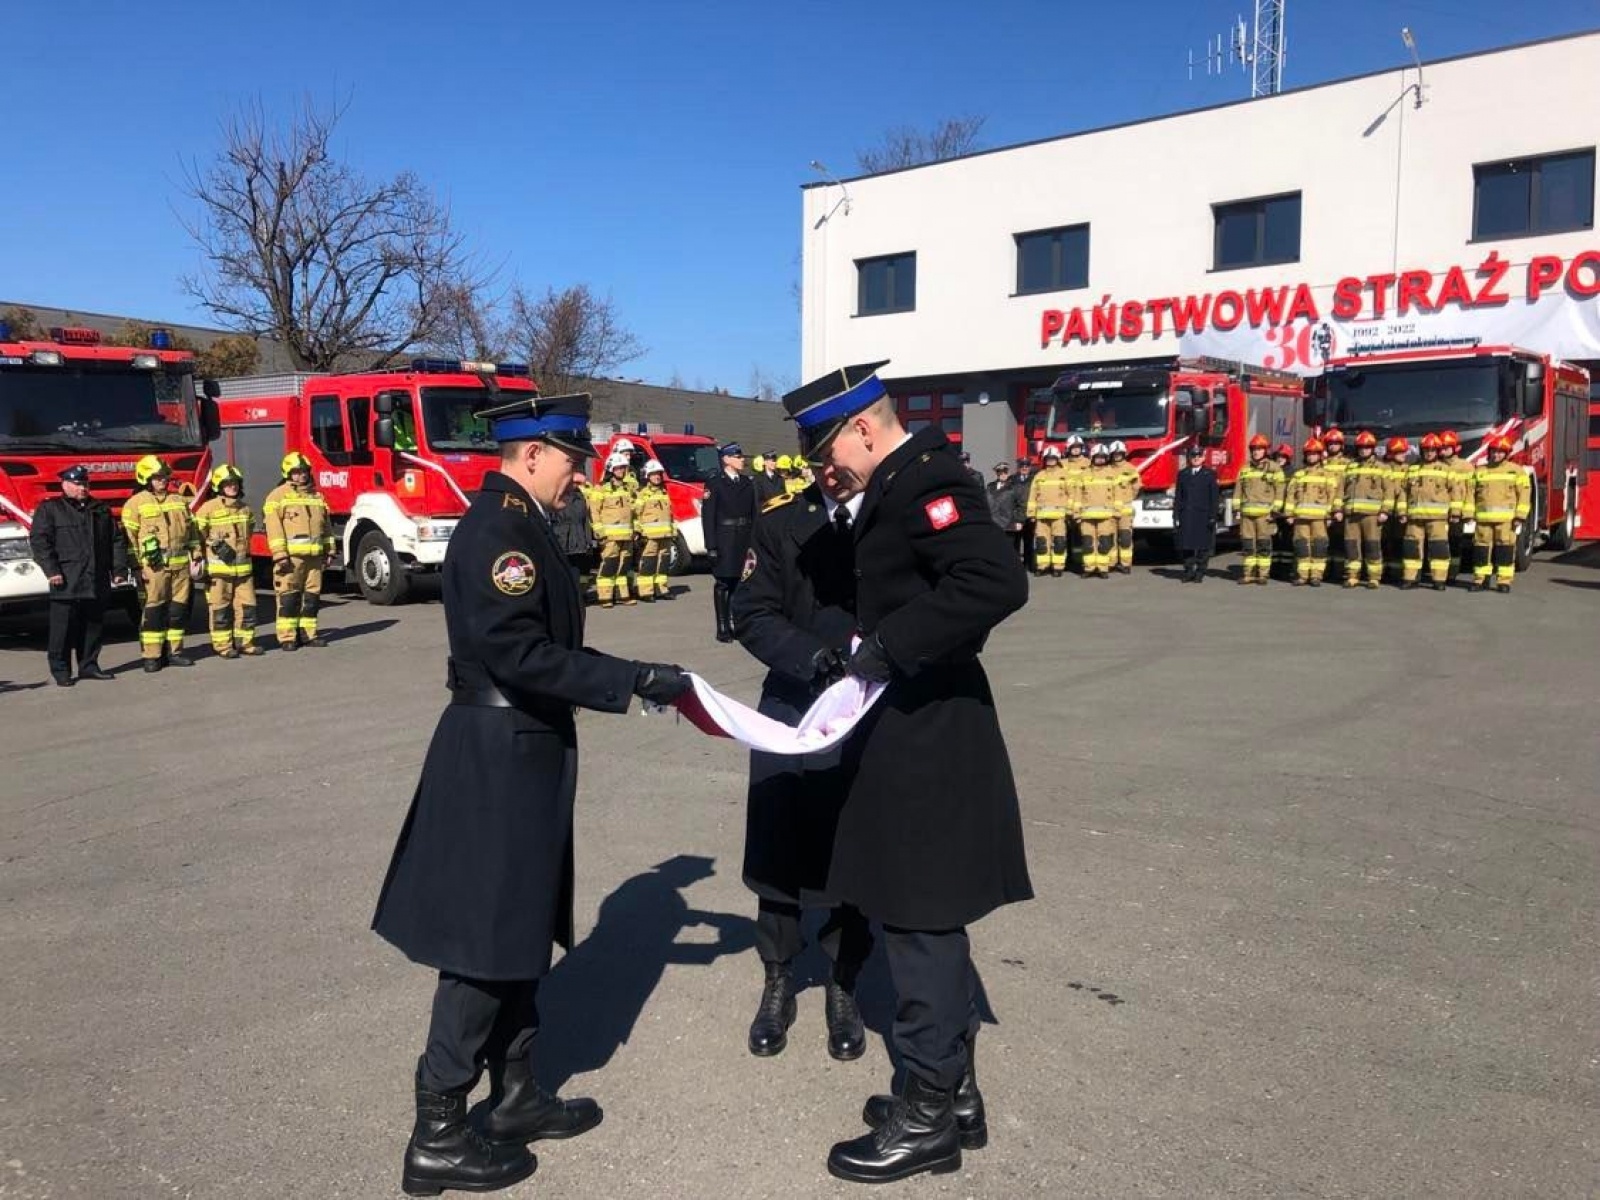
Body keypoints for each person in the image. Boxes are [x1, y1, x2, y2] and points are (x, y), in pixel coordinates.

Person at [371, 392, 692, 1198]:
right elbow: (519, 652)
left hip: (524, 748)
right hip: (499, 751)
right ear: (531, 455)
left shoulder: (521, 523)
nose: (578, 476)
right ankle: (438, 1127)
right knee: (483, 944)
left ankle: (513, 1096)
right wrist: (634, 681)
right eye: (572, 461)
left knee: (516, 927)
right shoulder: (500, 532)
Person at [788, 361, 1032, 1184]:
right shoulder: (896, 484)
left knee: (920, 921)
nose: (830, 471)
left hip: (930, 730)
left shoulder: (928, 478)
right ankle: (954, 1093)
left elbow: (995, 581)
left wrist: (888, 649)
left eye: (832, 452)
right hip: (913, 723)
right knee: (918, 916)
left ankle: (927, 1116)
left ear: (864, 426)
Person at [729, 464, 872, 1064]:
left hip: (868, 703)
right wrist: (815, 659)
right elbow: (753, 613)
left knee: (855, 846)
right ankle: (778, 979)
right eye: (817, 459)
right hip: (792, 700)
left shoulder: (887, 523)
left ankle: (844, 982)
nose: (831, 473)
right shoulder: (782, 521)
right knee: (777, 846)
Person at [29, 465, 122, 685]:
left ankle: (89, 665)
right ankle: (61, 670)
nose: (83, 488)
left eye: (85, 484)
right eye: (78, 484)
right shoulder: (51, 509)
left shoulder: (99, 509)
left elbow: (116, 541)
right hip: (66, 578)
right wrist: (51, 570)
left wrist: (118, 570)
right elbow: (40, 541)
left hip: (95, 577)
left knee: (93, 626)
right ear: (65, 485)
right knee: (62, 629)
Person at [122, 455, 202, 672]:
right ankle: (152, 656)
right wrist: (137, 567)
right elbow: (129, 540)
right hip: (153, 569)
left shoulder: (178, 501)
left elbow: (192, 531)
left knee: (177, 611)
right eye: (157, 478)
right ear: (145, 479)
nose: (163, 481)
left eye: (164, 477)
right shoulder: (135, 504)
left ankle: (175, 652)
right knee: (154, 612)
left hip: (181, 568)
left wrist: (196, 554)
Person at [264, 452, 334, 650]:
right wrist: (280, 555)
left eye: (304, 472)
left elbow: (326, 526)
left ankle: (308, 634)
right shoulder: (277, 496)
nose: (301, 476)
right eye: (296, 472)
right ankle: (287, 637)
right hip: (291, 558)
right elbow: (274, 528)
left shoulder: (317, 496)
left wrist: (329, 550)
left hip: (314, 557)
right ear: (288, 473)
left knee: (312, 598)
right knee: (289, 597)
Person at [193, 463, 263, 658]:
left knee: (247, 606)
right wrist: (199, 558)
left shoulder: (245, 509)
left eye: (235, 483)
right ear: (218, 486)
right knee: (220, 609)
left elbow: (248, 534)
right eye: (228, 483)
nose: (232, 487)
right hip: (219, 571)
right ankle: (223, 646)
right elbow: (197, 536)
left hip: (243, 571)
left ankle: (245, 643)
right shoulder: (207, 509)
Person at [702, 442, 757, 642]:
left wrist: (756, 540)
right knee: (724, 584)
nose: (742, 459)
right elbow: (708, 518)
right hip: (725, 539)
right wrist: (711, 546)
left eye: (741, 457)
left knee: (741, 584)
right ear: (726, 459)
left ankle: (738, 623)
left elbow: (754, 514)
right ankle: (723, 627)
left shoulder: (747, 482)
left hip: (744, 538)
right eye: (737, 456)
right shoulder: (715, 483)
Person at [1467, 434, 1529, 593]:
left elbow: (1524, 495)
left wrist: (1520, 517)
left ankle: (1504, 581)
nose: (1496, 455)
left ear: (1507, 453)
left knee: (1505, 550)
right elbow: (1470, 493)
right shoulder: (1480, 471)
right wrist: (1469, 513)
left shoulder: (1517, 472)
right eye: (1494, 451)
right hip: (1483, 520)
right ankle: (1480, 580)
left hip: (1507, 521)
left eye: (1500, 452)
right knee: (1481, 550)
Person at [1398, 434, 1457, 591]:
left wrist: (1455, 512)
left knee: (1438, 549)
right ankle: (1410, 578)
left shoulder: (1446, 470)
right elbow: (1404, 492)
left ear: (1437, 451)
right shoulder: (1413, 469)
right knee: (1411, 548)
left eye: (1432, 450)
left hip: (1437, 519)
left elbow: (1455, 493)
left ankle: (1439, 580)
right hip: (1414, 517)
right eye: (1426, 450)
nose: (1429, 453)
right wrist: (1402, 512)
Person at [1285, 438, 1341, 587]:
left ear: (1320, 456)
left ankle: (1316, 576)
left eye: (1314, 454)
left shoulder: (1328, 476)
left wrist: (1331, 515)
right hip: (1300, 518)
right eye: (1309, 454)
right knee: (1301, 546)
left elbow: (1333, 497)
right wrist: (1289, 514)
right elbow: (1290, 496)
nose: (1311, 457)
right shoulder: (1298, 475)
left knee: (1319, 546)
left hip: (1320, 518)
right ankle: (1303, 576)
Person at [1340, 431, 1392, 589]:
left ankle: (1374, 577)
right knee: (1351, 546)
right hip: (1351, 514)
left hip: (1372, 515)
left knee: (1372, 546)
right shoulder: (1350, 467)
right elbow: (1341, 489)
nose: (1364, 450)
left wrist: (1385, 511)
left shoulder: (1383, 468)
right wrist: (1338, 509)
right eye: (1361, 447)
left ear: (1373, 449)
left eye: (1367, 447)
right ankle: (1352, 576)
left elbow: (1388, 492)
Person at [590, 451, 637, 608]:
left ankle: (622, 595)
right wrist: (600, 532)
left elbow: (634, 512)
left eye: (623, 468)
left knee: (624, 566)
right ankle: (605, 597)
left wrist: (635, 530)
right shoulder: (601, 489)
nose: (621, 471)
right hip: (610, 537)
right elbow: (594, 512)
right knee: (609, 565)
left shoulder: (627, 489)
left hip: (627, 536)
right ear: (611, 469)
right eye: (618, 468)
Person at [1234, 434, 1283, 585]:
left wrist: (1275, 511)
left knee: (1263, 545)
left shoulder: (1274, 468)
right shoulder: (1245, 468)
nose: (1256, 452)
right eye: (1254, 449)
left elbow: (1280, 491)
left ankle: (1263, 575)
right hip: (1247, 515)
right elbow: (1238, 490)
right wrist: (1237, 509)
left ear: (1265, 451)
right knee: (1248, 545)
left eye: (1260, 449)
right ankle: (1248, 574)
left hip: (1265, 516)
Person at [1072, 442, 1121, 579]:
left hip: (1106, 516)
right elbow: (1077, 496)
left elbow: (1118, 496)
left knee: (1104, 543)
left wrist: (1116, 512)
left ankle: (1103, 568)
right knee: (1088, 543)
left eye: (1103, 457)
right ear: (1092, 457)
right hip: (1086, 516)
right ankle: (1089, 568)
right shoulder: (1084, 474)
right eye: (1098, 457)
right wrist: (1077, 514)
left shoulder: (1112, 474)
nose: (1100, 459)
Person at [1173, 443, 1219, 582]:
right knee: (1186, 546)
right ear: (1189, 457)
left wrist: (1213, 516)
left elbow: (1214, 498)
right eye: (1193, 455)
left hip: (1203, 515)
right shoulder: (1183, 474)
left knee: (1203, 546)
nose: (1196, 458)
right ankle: (1188, 571)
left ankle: (1200, 572)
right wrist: (1176, 515)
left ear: (1203, 457)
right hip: (1186, 515)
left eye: (1199, 455)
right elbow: (1178, 496)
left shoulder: (1210, 474)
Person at [548, 468, 596, 599]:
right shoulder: (556, 496)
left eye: (578, 483)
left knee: (581, 572)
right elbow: (551, 519)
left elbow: (585, 520)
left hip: (579, 541)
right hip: (563, 541)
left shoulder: (580, 497)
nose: (576, 485)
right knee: (565, 571)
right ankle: (565, 595)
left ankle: (580, 594)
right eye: (574, 482)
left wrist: (588, 540)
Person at [1025, 446, 1072, 577]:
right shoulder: (1039, 476)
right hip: (1041, 516)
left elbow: (1071, 495)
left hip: (1059, 516)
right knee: (1041, 542)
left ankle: (1058, 567)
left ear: (1057, 459)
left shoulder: (1064, 475)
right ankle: (1042, 566)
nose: (1050, 461)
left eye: (1053, 458)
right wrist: (1031, 514)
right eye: (1048, 459)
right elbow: (1033, 496)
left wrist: (1069, 512)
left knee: (1059, 542)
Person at [632, 459, 675, 601]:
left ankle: (661, 589)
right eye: (654, 474)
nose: (657, 477)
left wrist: (672, 531)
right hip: (649, 536)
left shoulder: (664, 493)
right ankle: (645, 591)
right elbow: (635, 514)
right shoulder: (642, 494)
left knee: (663, 563)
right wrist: (638, 532)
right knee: (648, 563)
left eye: (659, 474)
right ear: (647, 476)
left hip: (665, 535)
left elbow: (669, 515)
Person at [1437, 430, 1475, 580]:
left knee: (1455, 542)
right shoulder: (1437, 466)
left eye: (1447, 447)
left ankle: (1452, 572)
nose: (1444, 450)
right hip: (1440, 513)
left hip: (1457, 514)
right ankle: (1440, 572)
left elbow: (1470, 492)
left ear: (1455, 448)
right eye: (1442, 447)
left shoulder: (1466, 467)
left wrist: (1467, 514)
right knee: (1439, 543)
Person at [1320, 428, 1351, 582]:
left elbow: (1349, 488)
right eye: (1330, 443)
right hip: (1322, 508)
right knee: (1324, 541)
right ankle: (1324, 571)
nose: (1332, 446)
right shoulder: (1321, 464)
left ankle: (1338, 572)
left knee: (1339, 540)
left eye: (1335, 443)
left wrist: (1340, 509)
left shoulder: (1348, 464)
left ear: (1341, 445)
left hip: (1340, 509)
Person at [1107, 441, 1140, 574]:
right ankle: (1111, 563)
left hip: (1125, 511)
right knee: (1109, 538)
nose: (1117, 456)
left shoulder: (1130, 468)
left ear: (1124, 454)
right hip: (1109, 510)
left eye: (1119, 454)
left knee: (1125, 537)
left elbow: (1136, 486)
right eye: (1115, 454)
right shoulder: (1107, 469)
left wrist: (1128, 498)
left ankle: (1125, 564)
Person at [1270, 443, 1298, 580]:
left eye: (1283, 456)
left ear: (1288, 458)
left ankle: (1286, 570)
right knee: (1274, 541)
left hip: (1286, 514)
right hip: (1274, 513)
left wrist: (1290, 513)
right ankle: (1274, 569)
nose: (1280, 459)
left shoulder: (1293, 473)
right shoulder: (1272, 472)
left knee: (1287, 541)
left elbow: (1295, 495)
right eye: (1278, 456)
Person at [984, 462, 1020, 539]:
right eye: (1000, 472)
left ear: (1008, 472)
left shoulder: (1014, 486)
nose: (1003, 474)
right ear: (997, 473)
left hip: (1008, 525)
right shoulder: (990, 486)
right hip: (993, 524)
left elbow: (1020, 505)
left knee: (1009, 549)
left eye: (1005, 471)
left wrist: (1018, 520)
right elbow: (986, 503)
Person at [1012, 457, 1036, 568]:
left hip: (1029, 514)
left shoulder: (1034, 479)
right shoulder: (1012, 479)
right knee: (1015, 542)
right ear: (1018, 467)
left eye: (1026, 466)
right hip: (1016, 515)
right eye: (1022, 466)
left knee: (1029, 541)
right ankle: (1016, 565)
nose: (1024, 468)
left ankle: (1029, 564)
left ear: (1030, 467)